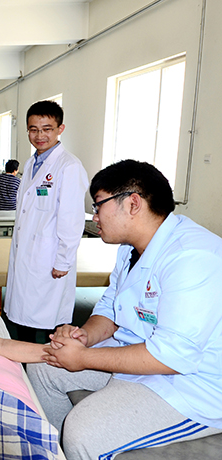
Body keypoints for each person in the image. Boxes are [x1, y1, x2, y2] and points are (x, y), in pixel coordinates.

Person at [27, 160, 222, 459]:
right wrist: (83, 337)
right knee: (44, 368)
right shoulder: (130, 249)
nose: (94, 216)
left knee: (82, 431)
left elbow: (172, 355)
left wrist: (83, 358)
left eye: (98, 206)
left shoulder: (192, 257)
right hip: (139, 354)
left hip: (190, 383)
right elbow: (110, 309)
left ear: (133, 204)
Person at [4, 100, 88, 343]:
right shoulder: (31, 163)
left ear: (60, 129)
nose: (39, 135)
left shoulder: (68, 166)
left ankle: (42, 361)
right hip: (26, 252)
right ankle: (25, 357)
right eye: (33, 129)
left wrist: (63, 260)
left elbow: (72, 220)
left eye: (47, 129)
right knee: (22, 317)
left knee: (45, 323)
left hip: (48, 258)